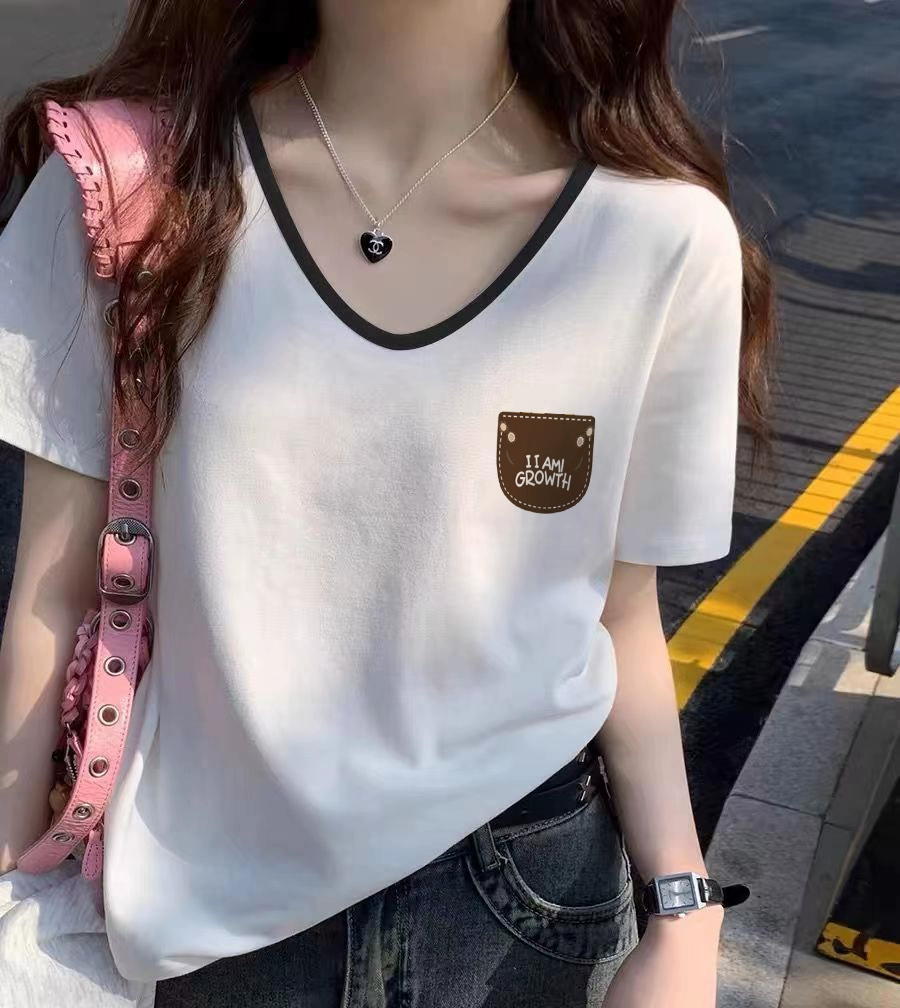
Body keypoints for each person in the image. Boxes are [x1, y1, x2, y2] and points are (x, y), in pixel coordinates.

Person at [0, 1, 774, 1005]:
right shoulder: (127, 189)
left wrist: (683, 911)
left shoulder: (659, 240)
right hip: (205, 907)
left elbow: (619, 612)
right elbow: (52, 592)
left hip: (525, 893)